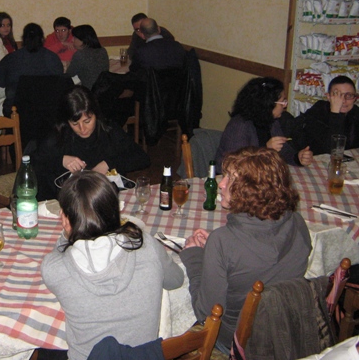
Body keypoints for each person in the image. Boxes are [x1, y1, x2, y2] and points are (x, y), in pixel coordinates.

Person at [180, 147, 312, 354]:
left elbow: (206, 315)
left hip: (235, 341)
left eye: (230, 180)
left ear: (252, 192)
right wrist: (216, 254)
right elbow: (258, 255)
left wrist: (194, 257)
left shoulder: (223, 242)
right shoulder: (297, 222)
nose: (221, 184)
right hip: (283, 330)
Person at [41, 171, 183, 360]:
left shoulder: (54, 268)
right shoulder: (147, 246)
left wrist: (67, 231)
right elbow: (176, 280)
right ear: (114, 210)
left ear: (65, 218)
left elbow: (61, 253)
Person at [31, 85, 150, 200]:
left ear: (95, 115)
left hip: (107, 199)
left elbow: (142, 158)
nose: (82, 129)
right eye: (75, 124)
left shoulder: (109, 130)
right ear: (67, 122)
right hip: (70, 201)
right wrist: (61, 160)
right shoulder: (59, 136)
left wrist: (108, 163)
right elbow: (32, 164)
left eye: (87, 121)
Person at [215, 76, 313, 172]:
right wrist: (265, 149)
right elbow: (236, 166)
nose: (285, 106)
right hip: (230, 180)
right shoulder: (239, 126)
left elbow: (284, 151)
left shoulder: (272, 121)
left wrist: (298, 157)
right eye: (283, 102)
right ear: (268, 103)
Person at [0, 22, 63, 116]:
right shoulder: (52, 58)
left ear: (23, 39)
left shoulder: (12, 58)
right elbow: (59, 80)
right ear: (42, 39)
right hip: (48, 111)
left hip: (17, 111)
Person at [294, 75, 359, 155]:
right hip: (317, 160)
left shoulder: (355, 112)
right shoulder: (317, 112)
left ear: (355, 98)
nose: (343, 101)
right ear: (328, 97)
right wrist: (335, 112)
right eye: (337, 95)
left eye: (349, 96)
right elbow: (331, 149)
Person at [64, 24, 109, 90]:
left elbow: (69, 74)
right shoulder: (102, 50)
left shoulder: (80, 54)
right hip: (104, 90)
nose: (72, 40)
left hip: (89, 91)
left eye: (75, 38)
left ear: (83, 40)